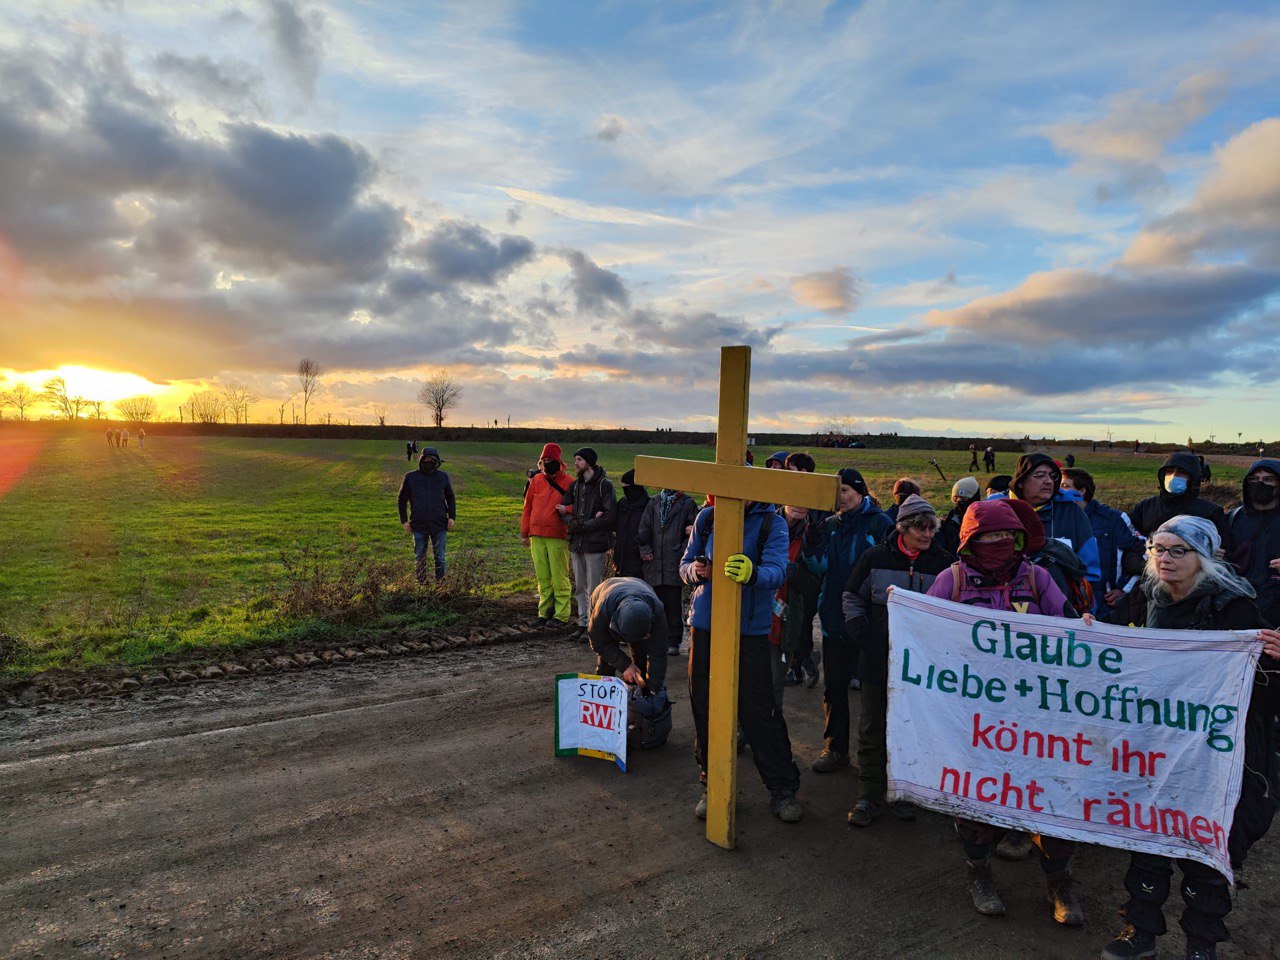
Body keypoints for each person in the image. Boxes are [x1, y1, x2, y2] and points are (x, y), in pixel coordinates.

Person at [1100, 516, 1280, 960]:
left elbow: (1261, 689)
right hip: (1158, 742)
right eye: (1158, 548)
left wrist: (1273, 662)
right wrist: (1092, 637)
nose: (1165, 558)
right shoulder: (1148, 598)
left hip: (1215, 751)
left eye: (1179, 550)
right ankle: (1139, 932)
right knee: (1150, 838)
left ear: (1203, 557)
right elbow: (1124, 652)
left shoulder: (1234, 607)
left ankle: (1202, 945)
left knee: (1206, 846)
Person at [926, 500, 1087, 926]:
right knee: (976, 798)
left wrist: (1085, 628)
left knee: (1050, 797)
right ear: (969, 541)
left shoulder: (1038, 579)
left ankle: (1059, 881)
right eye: (987, 537)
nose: (998, 543)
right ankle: (978, 871)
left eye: (1005, 536)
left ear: (1018, 539)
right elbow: (924, 637)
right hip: (975, 719)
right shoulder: (952, 580)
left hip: (1037, 719)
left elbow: (1069, 631)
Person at [682, 496, 802, 822]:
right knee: (705, 709)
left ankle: (782, 789)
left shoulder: (771, 522)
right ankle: (712, 785)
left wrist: (752, 574)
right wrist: (694, 570)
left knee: (759, 712)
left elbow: (778, 571)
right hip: (706, 628)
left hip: (749, 631)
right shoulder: (707, 517)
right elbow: (686, 563)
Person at [842, 495, 952, 826]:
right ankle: (869, 795)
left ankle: (904, 793)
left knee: (913, 730)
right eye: (921, 526)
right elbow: (851, 595)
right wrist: (860, 631)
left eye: (932, 527)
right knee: (873, 727)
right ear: (902, 528)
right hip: (878, 661)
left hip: (921, 670)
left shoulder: (944, 564)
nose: (928, 533)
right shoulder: (874, 558)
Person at [802, 468, 893, 772]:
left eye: (844, 491)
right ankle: (835, 748)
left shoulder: (880, 524)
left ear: (860, 491)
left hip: (870, 621)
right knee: (834, 687)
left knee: (873, 691)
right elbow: (819, 568)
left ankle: (877, 758)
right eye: (835, 492)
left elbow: (887, 569)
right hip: (833, 616)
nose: (839, 498)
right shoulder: (829, 525)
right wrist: (811, 544)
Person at [1061, 467, 1145, 619]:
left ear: (1082, 491)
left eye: (1065, 486)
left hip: (1104, 605)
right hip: (1066, 601)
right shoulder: (1056, 518)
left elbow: (1144, 552)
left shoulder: (1113, 518)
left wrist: (1124, 588)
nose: (1058, 491)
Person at [1009, 453, 1101, 588]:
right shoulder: (1001, 510)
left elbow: (1089, 570)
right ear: (1021, 481)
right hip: (1008, 602)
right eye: (1040, 475)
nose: (1048, 481)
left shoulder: (1072, 512)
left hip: (1062, 602)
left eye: (1053, 476)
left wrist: (1076, 600)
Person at [556, 448, 616, 641]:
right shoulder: (575, 486)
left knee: (595, 587)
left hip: (595, 544)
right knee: (580, 587)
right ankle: (582, 623)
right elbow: (564, 510)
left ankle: (595, 625)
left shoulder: (604, 486)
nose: (576, 463)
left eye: (579, 459)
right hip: (577, 543)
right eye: (575, 459)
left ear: (589, 461)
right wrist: (572, 523)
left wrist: (586, 525)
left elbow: (610, 515)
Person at [638, 487, 699, 656]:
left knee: (673, 604)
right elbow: (644, 529)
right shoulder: (655, 501)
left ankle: (673, 641)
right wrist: (645, 550)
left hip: (674, 561)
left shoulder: (687, 503)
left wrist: (681, 552)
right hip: (655, 562)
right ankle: (657, 639)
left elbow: (693, 533)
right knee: (656, 603)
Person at [782, 452, 825, 687]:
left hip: (806, 571)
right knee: (795, 622)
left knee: (799, 622)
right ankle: (803, 662)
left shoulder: (817, 498)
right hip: (792, 570)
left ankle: (801, 664)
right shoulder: (787, 495)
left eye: (791, 469)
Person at [521, 443, 574, 628]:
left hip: (558, 535)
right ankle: (544, 613)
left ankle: (561, 614)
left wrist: (567, 508)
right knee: (542, 578)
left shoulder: (570, 482)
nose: (546, 463)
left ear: (558, 461)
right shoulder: (536, 481)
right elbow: (527, 506)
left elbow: (580, 507)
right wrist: (524, 532)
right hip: (537, 535)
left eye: (550, 460)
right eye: (544, 461)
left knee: (560, 577)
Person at [585, 576, 669, 693]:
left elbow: (659, 652)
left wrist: (654, 688)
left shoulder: (657, 610)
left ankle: (640, 693)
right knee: (606, 663)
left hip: (640, 588)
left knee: (641, 657)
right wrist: (625, 665)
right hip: (605, 591)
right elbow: (599, 644)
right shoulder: (602, 610)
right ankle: (603, 695)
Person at [1225, 458, 1280, 628]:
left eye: (1268, 479)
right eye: (1254, 479)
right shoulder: (1231, 519)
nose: (1260, 483)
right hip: (1237, 608)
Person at [1129, 452, 1228, 541]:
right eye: (1169, 471)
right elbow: (1128, 537)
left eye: (1182, 472)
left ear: (1193, 478)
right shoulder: (1145, 507)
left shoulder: (1211, 512)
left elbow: (1222, 550)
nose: (1173, 476)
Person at [397, 447, 456, 582]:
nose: (428, 463)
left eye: (432, 460)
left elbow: (450, 497)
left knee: (440, 557)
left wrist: (452, 517)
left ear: (436, 462)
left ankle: (440, 585)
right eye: (426, 460)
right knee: (419, 557)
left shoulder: (443, 477)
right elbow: (401, 499)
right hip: (418, 524)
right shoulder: (410, 477)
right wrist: (404, 520)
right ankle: (421, 585)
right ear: (421, 460)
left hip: (439, 523)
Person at [613, 469, 650, 579]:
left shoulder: (648, 506)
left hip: (639, 561)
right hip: (621, 559)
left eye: (627, 487)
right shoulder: (622, 504)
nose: (625, 491)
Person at [938, 476, 981, 555]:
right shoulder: (945, 523)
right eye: (955, 499)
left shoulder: (983, 523)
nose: (959, 502)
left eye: (964, 499)